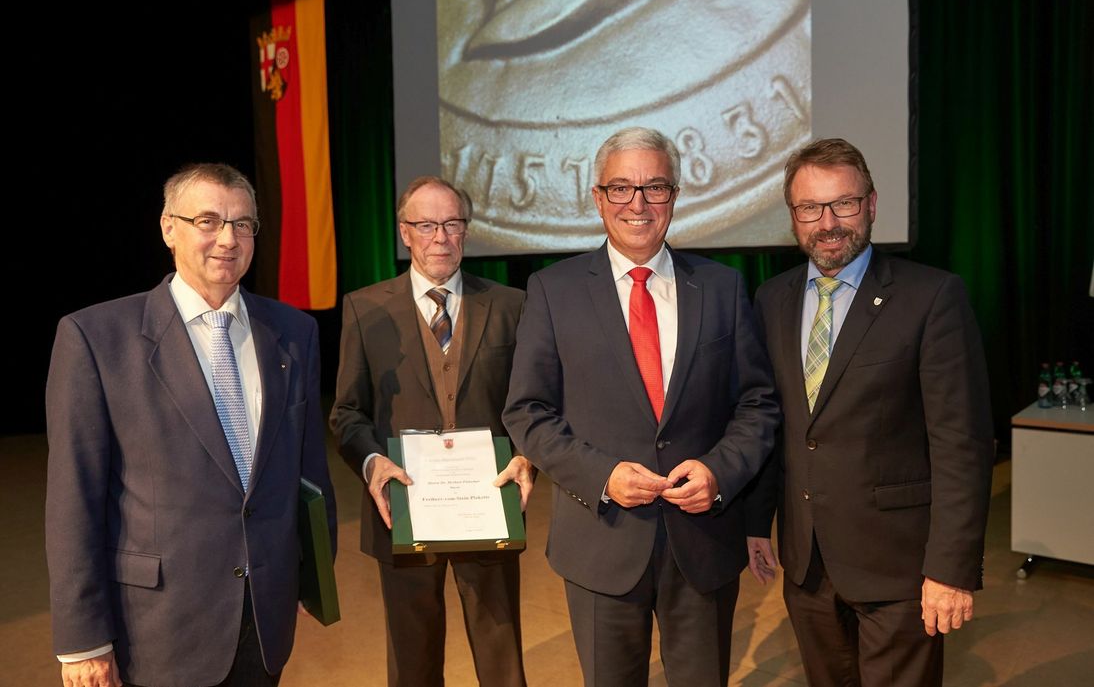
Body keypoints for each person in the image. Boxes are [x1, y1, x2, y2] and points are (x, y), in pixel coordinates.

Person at [503, 127, 779, 686]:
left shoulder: (722, 287)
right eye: (622, 188)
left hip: (702, 544)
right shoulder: (553, 291)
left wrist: (719, 471)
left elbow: (758, 403)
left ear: (674, 197)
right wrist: (602, 475)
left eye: (655, 188)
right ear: (598, 197)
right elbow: (527, 411)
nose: (638, 203)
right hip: (600, 545)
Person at [45, 163, 336, 687]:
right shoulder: (95, 338)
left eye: (243, 224)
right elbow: (72, 501)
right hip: (156, 629)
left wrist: (308, 578)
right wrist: (82, 639)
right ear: (168, 228)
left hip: (263, 619)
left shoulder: (294, 332)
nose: (228, 238)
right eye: (208, 220)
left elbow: (309, 472)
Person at [746, 138, 994, 687]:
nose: (827, 222)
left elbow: (962, 444)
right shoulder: (772, 299)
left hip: (900, 565)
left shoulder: (932, 297)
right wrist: (756, 523)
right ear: (793, 216)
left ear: (873, 205)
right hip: (807, 561)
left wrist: (949, 568)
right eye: (810, 208)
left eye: (844, 204)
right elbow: (774, 424)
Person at [330, 176, 532, 687]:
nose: (440, 237)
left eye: (452, 224)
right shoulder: (365, 308)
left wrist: (527, 454)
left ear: (466, 231)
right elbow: (347, 413)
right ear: (404, 232)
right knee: (413, 662)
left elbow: (531, 405)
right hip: (403, 510)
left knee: (502, 660)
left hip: (488, 507)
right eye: (426, 225)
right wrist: (374, 464)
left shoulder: (510, 306)